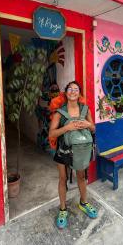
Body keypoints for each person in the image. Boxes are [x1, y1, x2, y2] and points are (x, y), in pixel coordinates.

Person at [49, 81, 97, 229]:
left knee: (81, 177)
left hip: (81, 150)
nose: (73, 91)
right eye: (70, 89)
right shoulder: (59, 113)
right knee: (62, 179)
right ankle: (63, 209)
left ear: (79, 93)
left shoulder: (85, 109)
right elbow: (52, 133)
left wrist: (88, 125)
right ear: (66, 93)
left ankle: (83, 202)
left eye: (76, 89)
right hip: (63, 151)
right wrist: (67, 127)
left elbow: (94, 128)